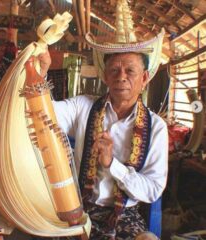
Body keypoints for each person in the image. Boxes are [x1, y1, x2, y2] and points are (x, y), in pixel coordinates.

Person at [37, 4, 168, 237]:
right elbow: (45, 113)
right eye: (115, 70)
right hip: (77, 209)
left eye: (131, 71)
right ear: (105, 76)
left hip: (124, 215)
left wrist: (112, 165)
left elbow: (153, 190)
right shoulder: (83, 107)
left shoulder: (156, 127)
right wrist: (40, 73)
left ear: (145, 78)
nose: (122, 78)